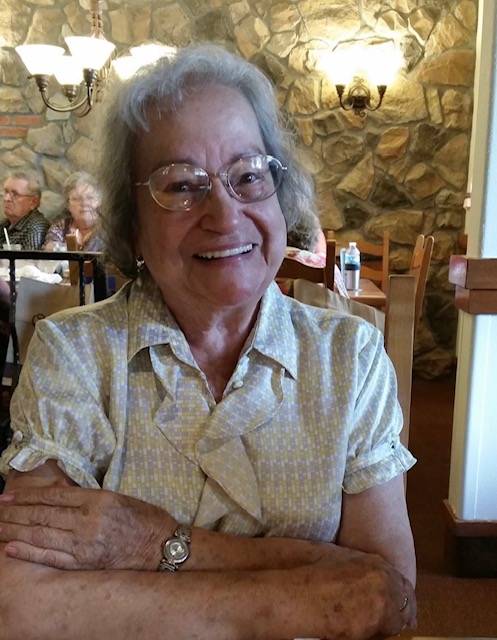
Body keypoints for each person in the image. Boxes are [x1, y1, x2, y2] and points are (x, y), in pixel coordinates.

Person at [0, 44, 417, 640]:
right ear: (132, 221)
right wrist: (311, 588)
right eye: (181, 185)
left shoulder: (350, 357)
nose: (224, 215)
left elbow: (389, 600)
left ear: (280, 194)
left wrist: (153, 544)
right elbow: (18, 604)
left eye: (248, 176)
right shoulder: (73, 354)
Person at [42, 171, 103, 252]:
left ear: (99, 202)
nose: (84, 203)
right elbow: (49, 250)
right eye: (76, 198)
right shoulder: (61, 226)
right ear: (68, 204)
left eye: (90, 198)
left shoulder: (108, 230)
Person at [0, 171, 49, 250]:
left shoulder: (36, 228)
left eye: (15, 194)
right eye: (6, 192)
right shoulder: (5, 223)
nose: (6, 198)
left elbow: (30, 257)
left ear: (33, 202)